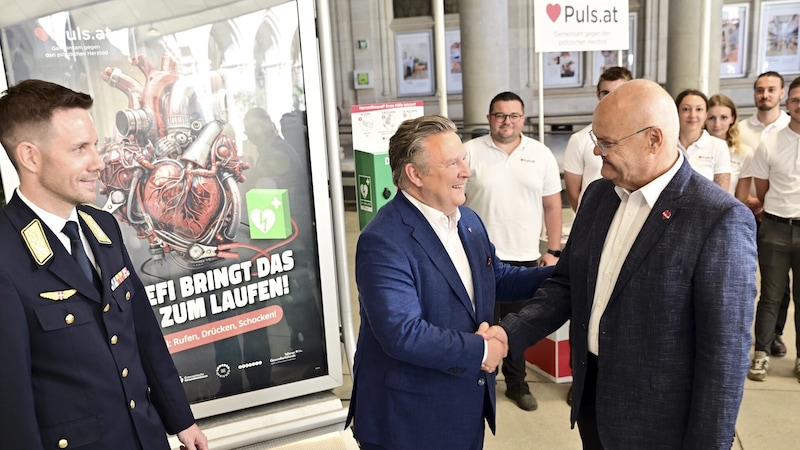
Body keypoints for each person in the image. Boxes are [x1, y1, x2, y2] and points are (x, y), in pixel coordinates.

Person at [482, 79, 757, 449]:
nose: (596, 151)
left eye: (608, 143)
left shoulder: (718, 218)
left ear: (654, 140)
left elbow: (723, 356)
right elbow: (567, 285)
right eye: (596, 139)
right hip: (593, 399)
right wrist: (508, 333)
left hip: (660, 422)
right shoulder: (599, 195)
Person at [0, 79, 208, 450]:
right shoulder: (5, 254)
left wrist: (181, 419)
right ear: (30, 156)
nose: (99, 162)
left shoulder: (102, 226)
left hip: (145, 437)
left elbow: (141, 332)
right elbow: (9, 398)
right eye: (80, 148)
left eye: (94, 145)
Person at [344, 115, 553, 449]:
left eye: (464, 160)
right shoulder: (383, 240)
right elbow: (402, 333)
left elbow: (494, 277)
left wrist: (563, 271)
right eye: (452, 163)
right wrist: (486, 348)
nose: (466, 172)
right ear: (415, 174)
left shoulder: (467, 219)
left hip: (465, 404)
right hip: (408, 418)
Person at [463, 91, 561, 411]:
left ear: (523, 119)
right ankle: (482, 386)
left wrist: (554, 250)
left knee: (518, 325)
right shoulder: (469, 153)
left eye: (513, 116)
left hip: (524, 253)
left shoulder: (541, 154)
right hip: (479, 257)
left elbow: (552, 204)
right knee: (481, 326)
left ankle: (517, 384)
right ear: (489, 118)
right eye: (499, 115)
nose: (506, 122)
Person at [748, 75, 800, 383]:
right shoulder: (771, 141)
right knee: (770, 295)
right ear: (787, 102)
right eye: (795, 99)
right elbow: (762, 188)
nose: (799, 104)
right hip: (776, 228)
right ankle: (762, 355)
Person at [738, 71, 791, 357]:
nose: (765, 95)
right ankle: (754, 337)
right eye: (760, 90)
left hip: (774, 215)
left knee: (781, 287)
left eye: (771, 90)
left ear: (782, 93)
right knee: (756, 283)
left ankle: (775, 336)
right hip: (749, 216)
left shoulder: (790, 127)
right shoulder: (742, 128)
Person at [564, 66, 633, 211]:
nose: (611, 99)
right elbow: (572, 192)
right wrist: (588, 218)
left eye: (618, 93)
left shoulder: (639, 136)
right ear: (598, 94)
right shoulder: (579, 139)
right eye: (606, 93)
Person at [675, 89, 732, 191]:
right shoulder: (667, 145)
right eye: (686, 109)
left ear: (706, 114)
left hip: (706, 206)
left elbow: (722, 194)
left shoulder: (718, 146)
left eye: (699, 109)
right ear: (677, 112)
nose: (692, 115)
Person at [705, 94, 755, 199]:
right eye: (711, 118)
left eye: (723, 117)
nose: (717, 124)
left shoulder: (744, 153)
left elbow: (741, 200)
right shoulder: (694, 148)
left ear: (732, 118)